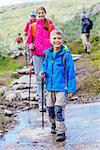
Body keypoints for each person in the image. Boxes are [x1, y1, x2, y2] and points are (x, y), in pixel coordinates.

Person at [39, 29, 76, 142]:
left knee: (59, 109)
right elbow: (44, 65)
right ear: (50, 40)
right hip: (49, 87)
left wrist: (71, 89)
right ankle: (54, 124)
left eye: (59, 38)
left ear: (62, 40)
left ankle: (61, 131)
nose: (57, 40)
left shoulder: (66, 55)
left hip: (61, 88)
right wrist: (42, 71)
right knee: (50, 109)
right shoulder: (47, 54)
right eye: (54, 38)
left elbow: (71, 73)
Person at [26, 7, 55, 112]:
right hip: (37, 55)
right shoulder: (32, 26)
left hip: (49, 55)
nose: (41, 14)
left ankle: (50, 102)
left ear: (45, 13)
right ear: (37, 14)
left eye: (42, 13)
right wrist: (30, 45)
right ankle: (41, 104)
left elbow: (55, 38)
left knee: (49, 77)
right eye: (39, 13)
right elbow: (28, 41)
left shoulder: (50, 25)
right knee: (39, 79)